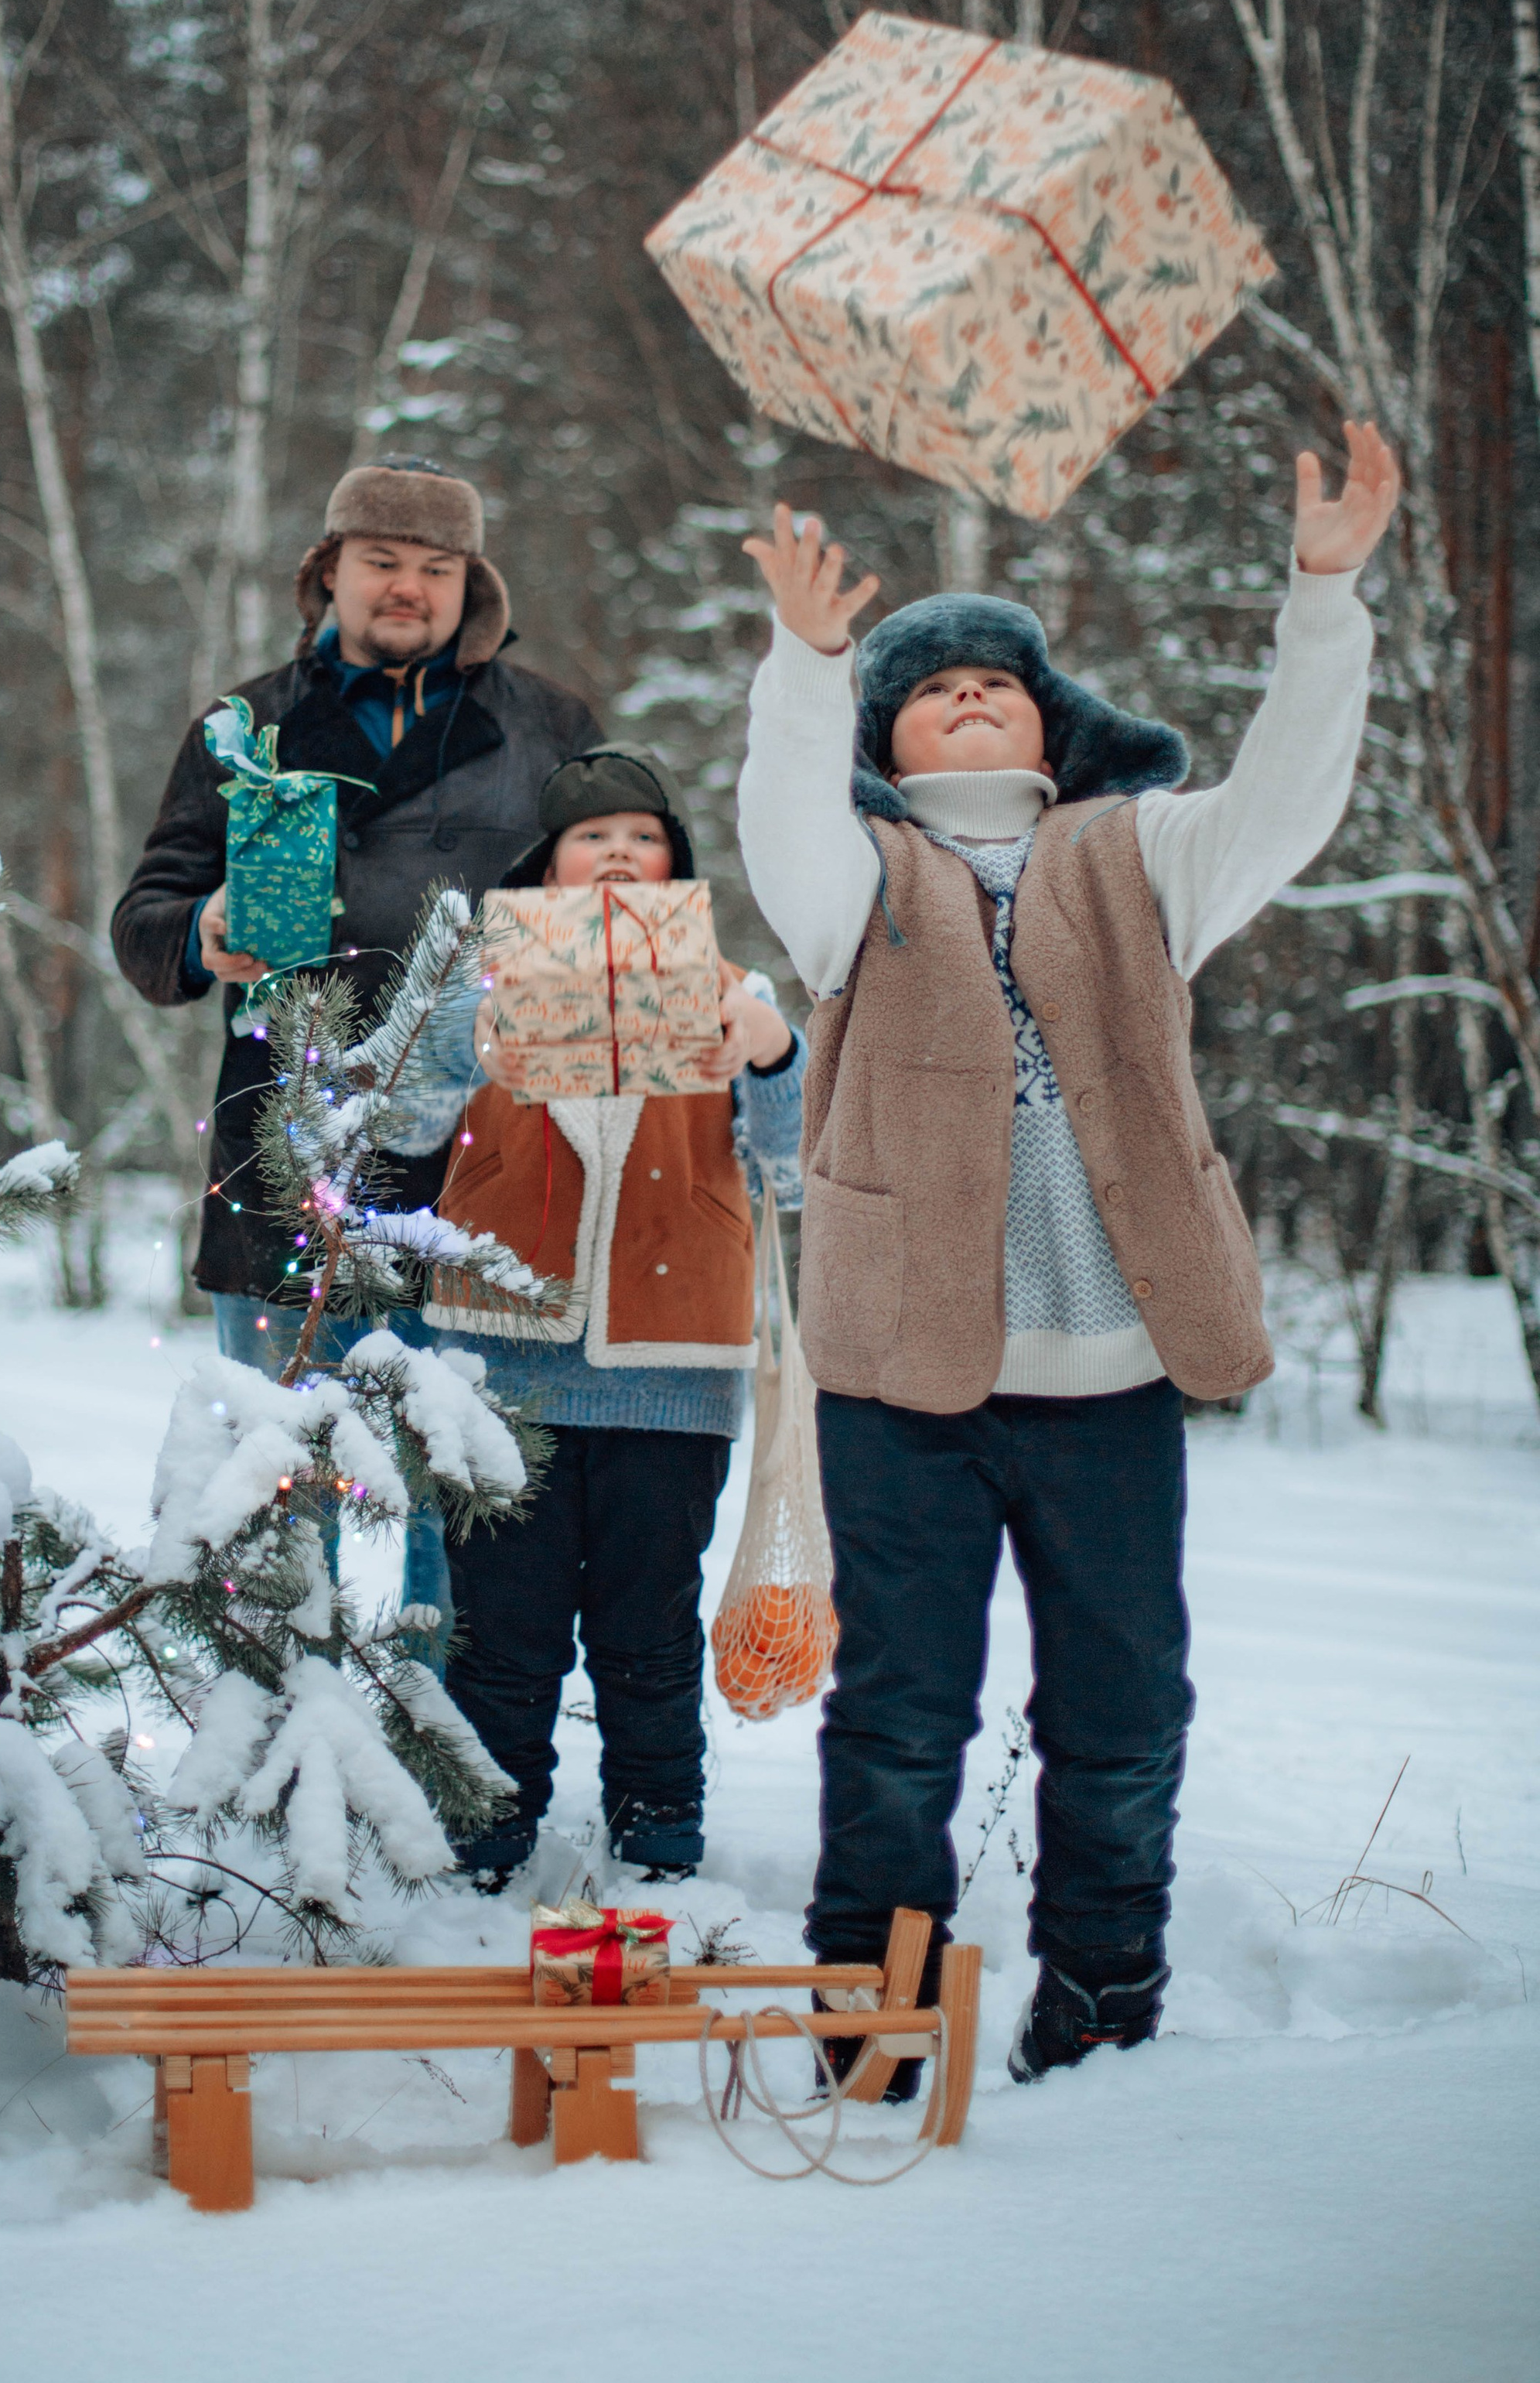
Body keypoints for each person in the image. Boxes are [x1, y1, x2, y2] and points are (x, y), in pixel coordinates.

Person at [736, 425, 1400, 2086]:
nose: (967, 694)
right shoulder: (859, 881)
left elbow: (1291, 802)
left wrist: (1322, 597)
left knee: (1118, 1726)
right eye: (930, 684)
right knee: (896, 1729)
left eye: (998, 682)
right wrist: (807, 669)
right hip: (904, 1386)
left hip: (1107, 1383)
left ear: (1049, 724)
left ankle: (1101, 2007)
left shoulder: (1137, 855)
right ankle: (871, 2023)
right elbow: (779, 829)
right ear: (887, 734)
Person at [113, 457, 599, 1387]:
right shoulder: (245, 723)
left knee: (455, 1506)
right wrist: (197, 927)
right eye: (382, 560)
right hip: (283, 1156)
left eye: (437, 568)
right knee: (284, 1498)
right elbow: (143, 919)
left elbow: (617, 907)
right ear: (328, 569)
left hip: (479, 1175)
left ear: (472, 586)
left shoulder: (550, 727)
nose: (409, 587)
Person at [408, 747, 805, 1888]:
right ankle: (486, 1834)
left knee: (648, 1631)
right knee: (504, 1630)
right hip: (501, 1365)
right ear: (549, 865)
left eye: (644, 836)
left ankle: (660, 1830)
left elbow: (795, 1171)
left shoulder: (737, 991)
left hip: (672, 1372)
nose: (620, 853)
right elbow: (397, 1131)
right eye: (593, 837)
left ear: (676, 863)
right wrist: (453, 1037)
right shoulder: (474, 978)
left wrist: (771, 1056)